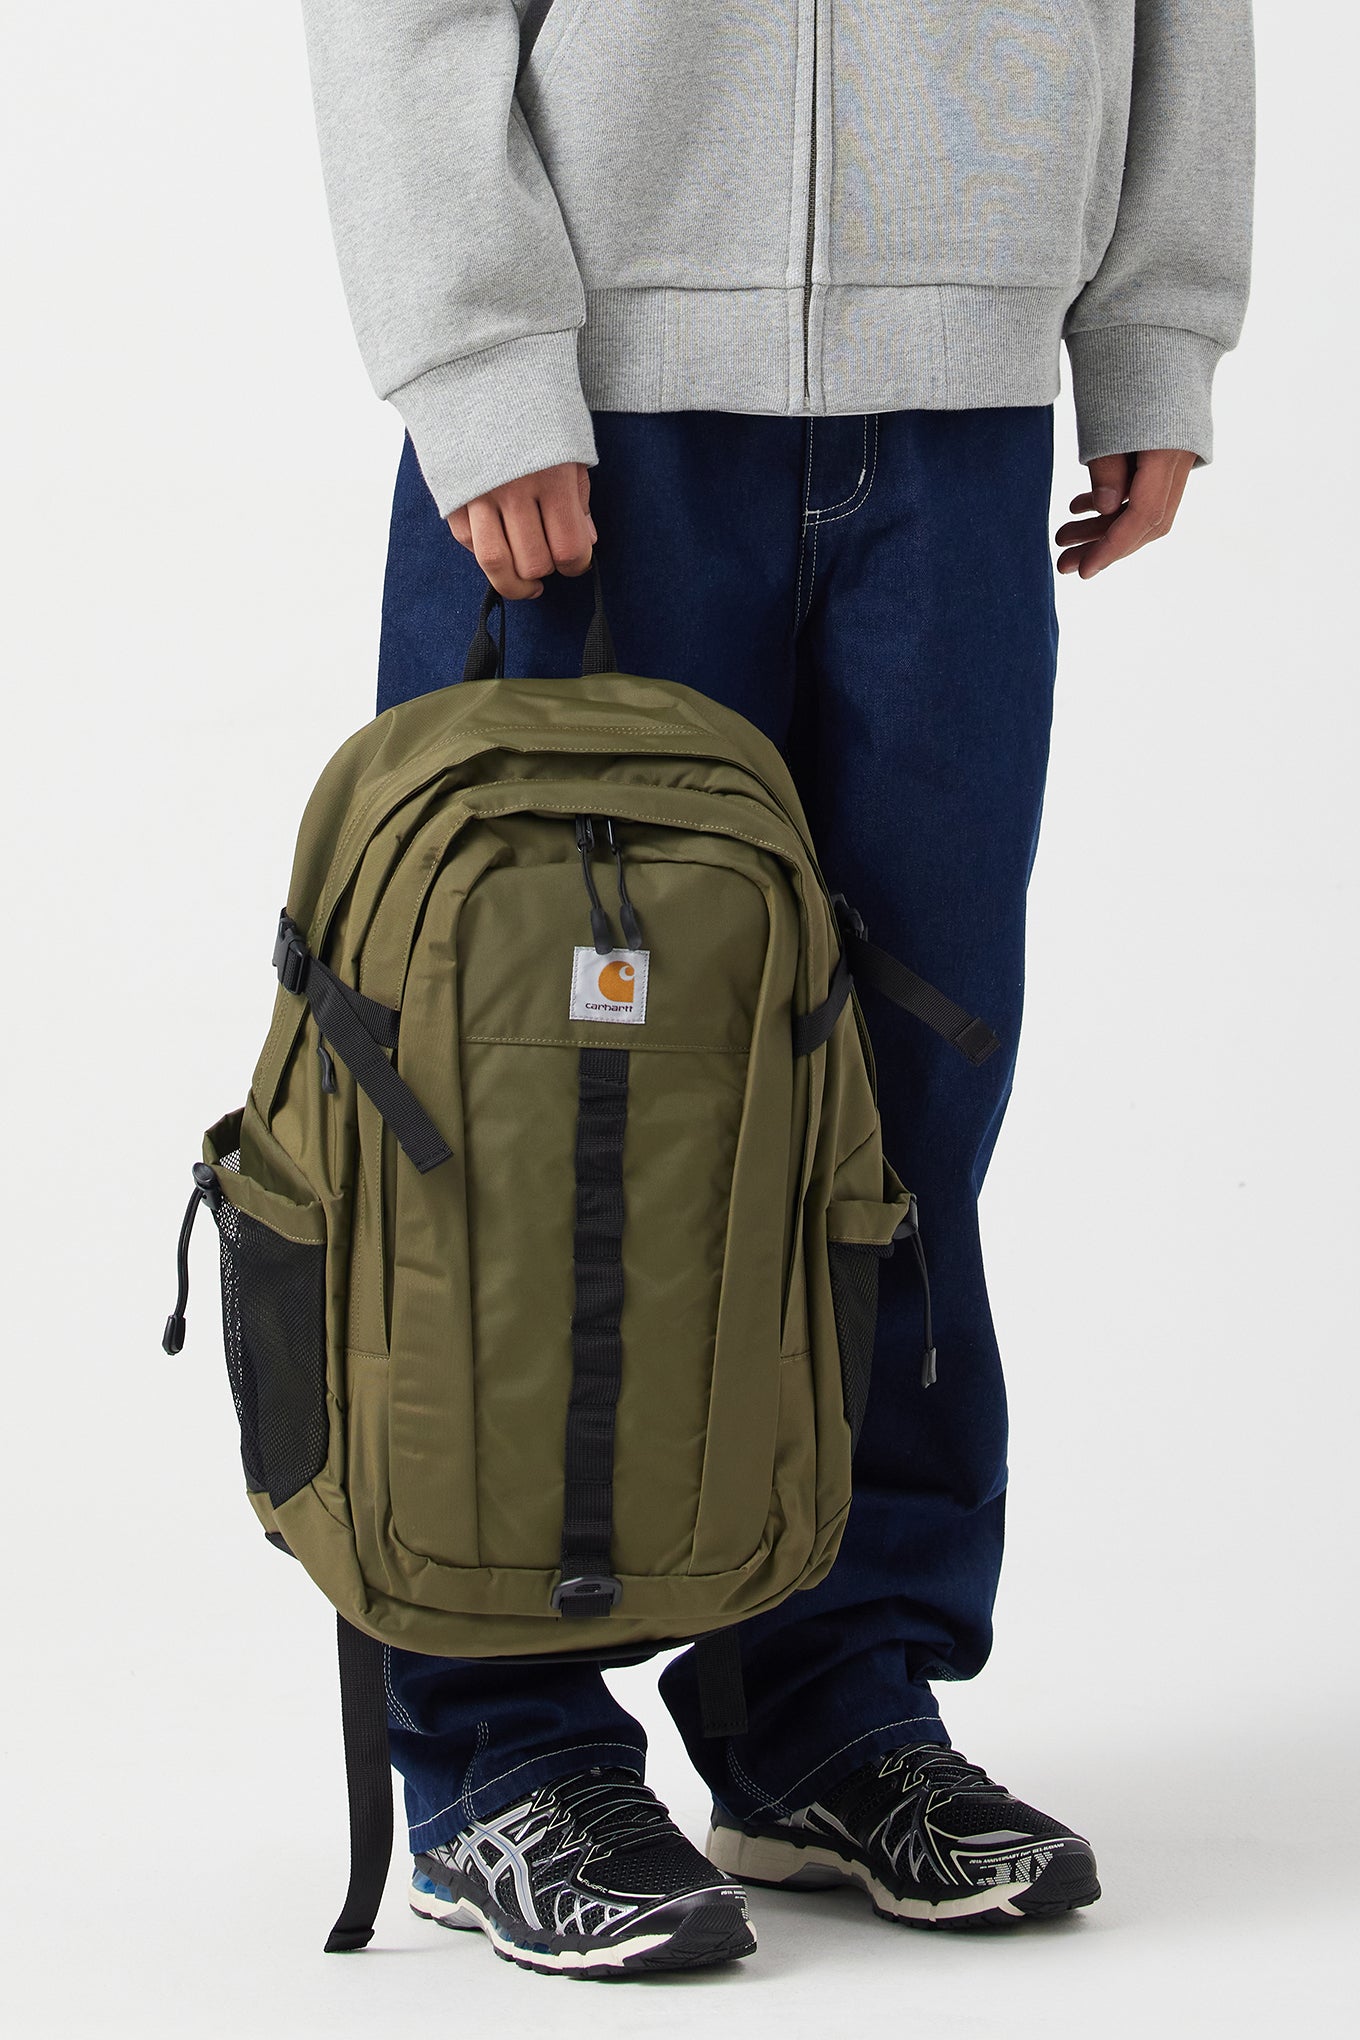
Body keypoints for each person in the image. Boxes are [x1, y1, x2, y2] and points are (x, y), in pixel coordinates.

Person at [298, 0, 1253, 1978]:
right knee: (523, 1119)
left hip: (959, 419)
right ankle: (498, 1744)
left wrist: (1152, 323)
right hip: (595, 411)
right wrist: (478, 357)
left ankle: (824, 1703)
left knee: (898, 1101)